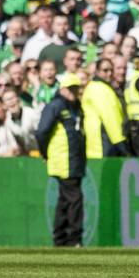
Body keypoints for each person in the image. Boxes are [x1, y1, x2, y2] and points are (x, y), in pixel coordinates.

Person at [36, 73, 85, 247]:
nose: (74, 91)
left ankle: (61, 238)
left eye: (76, 88)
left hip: (73, 159)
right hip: (63, 159)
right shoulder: (56, 106)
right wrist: (44, 153)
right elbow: (42, 132)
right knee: (75, 199)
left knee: (65, 200)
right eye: (71, 88)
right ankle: (74, 238)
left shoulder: (76, 106)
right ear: (62, 89)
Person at [82, 58, 129, 158]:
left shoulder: (101, 87)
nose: (109, 73)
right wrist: (120, 142)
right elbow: (110, 118)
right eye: (105, 70)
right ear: (97, 71)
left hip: (103, 140)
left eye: (111, 70)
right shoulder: (99, 88)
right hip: (103, 141)